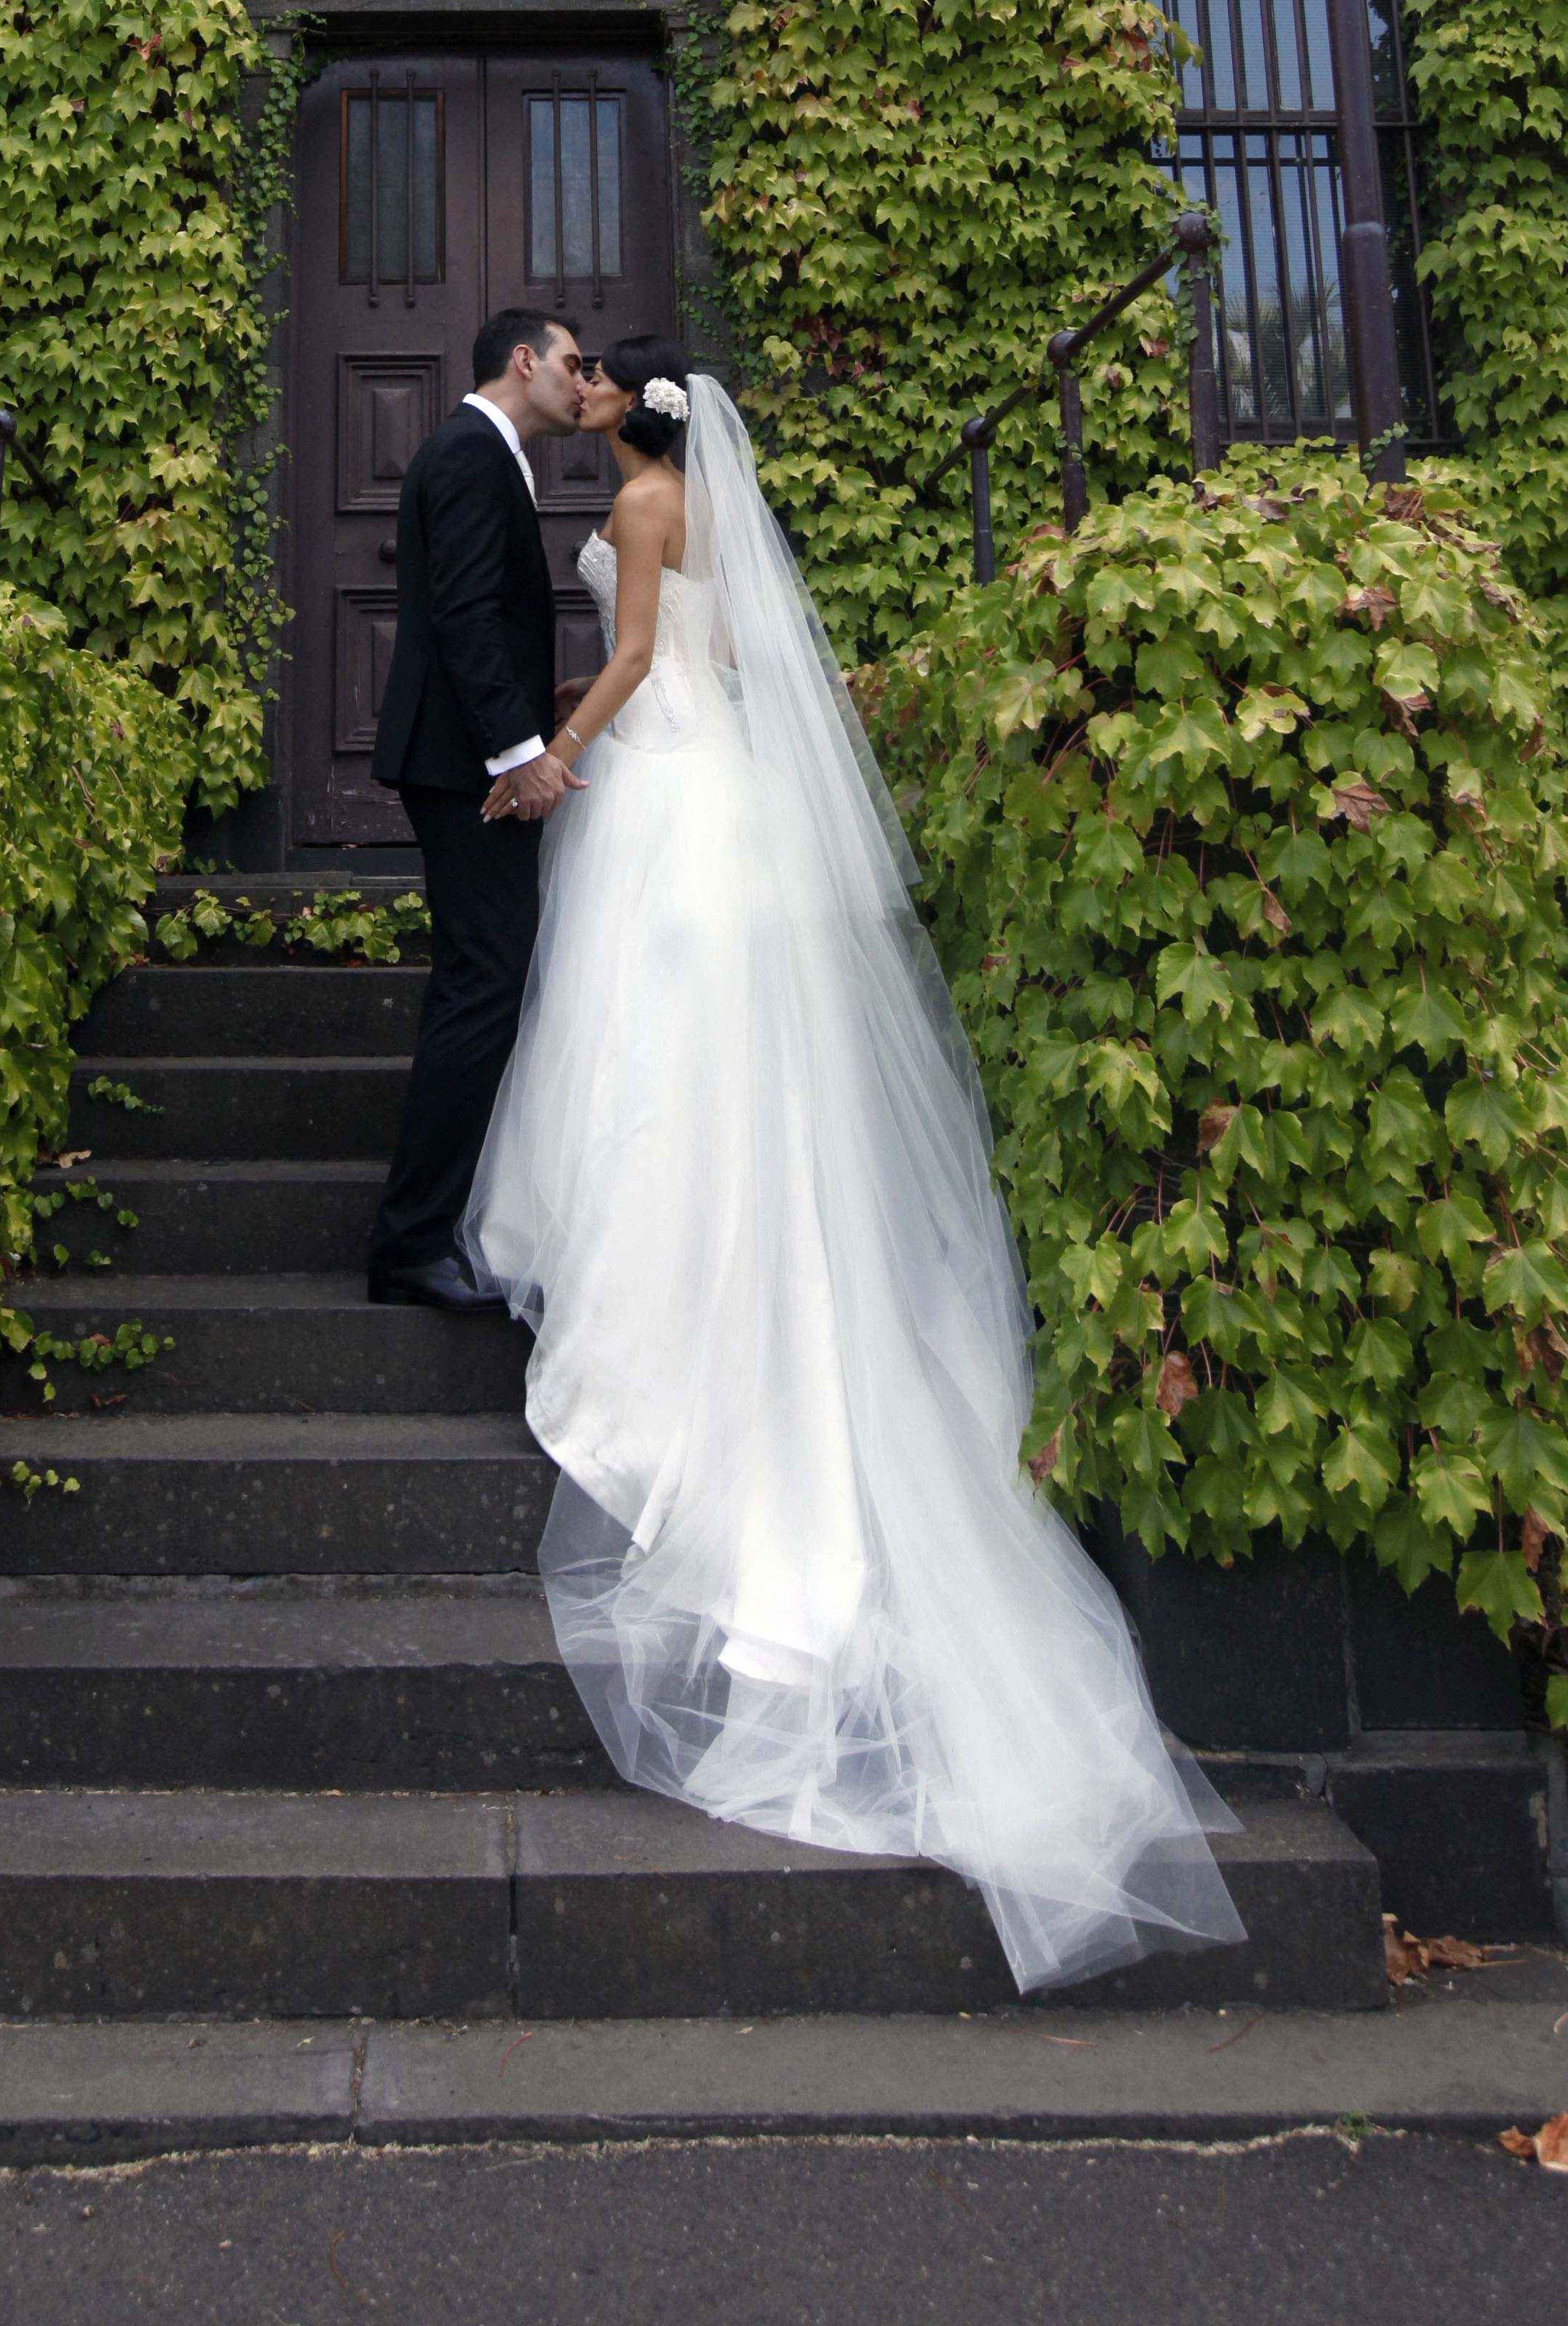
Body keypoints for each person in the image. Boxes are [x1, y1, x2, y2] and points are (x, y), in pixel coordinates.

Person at [463, 338, 1248, 1998]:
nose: (587, 388)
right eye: (579, 378)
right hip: (701, 788)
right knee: (661, 1058)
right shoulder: (676, 497)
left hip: (664, 792)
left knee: (652, 1061)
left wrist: (554, 754)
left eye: (606, 383)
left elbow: (653, 658)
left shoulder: (658, 506)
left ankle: (655, 1294)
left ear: (645, 420)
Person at [363, 306, 585, 1310]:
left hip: (467, 755)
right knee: (483, 982)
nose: (584, 386)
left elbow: (487, 613)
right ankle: (411, 1241)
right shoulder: (466, 453)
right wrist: (520, 755)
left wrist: (539, 714)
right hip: (466, 769)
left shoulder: (486, 454)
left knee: (478, 977)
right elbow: (462, 613)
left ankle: (426, 1227)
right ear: (524, 361)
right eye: (573, 365)